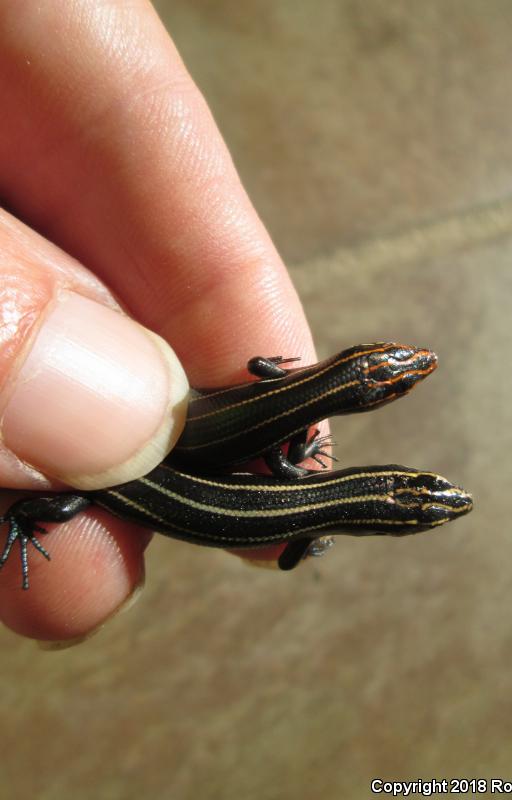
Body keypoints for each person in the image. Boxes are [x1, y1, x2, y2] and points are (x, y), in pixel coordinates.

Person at [0, 0, 317, 642]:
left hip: (155, 469)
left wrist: (298, 454)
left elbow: (264, 394)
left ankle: (19, 522)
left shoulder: (285, 441)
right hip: (137, 475)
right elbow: (284, 539)